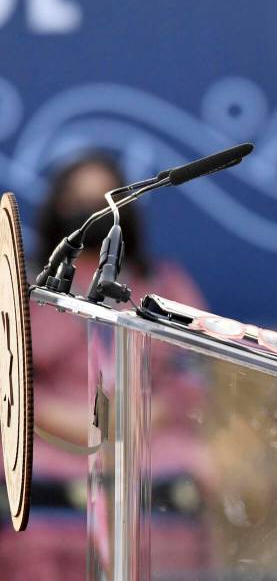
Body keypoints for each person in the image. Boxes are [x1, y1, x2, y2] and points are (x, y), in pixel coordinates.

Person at [0, 155, 209, 580]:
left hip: (148, 448)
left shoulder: (163, 282)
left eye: (103, 200)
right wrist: (83, 426)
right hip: (50, 452)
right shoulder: (28, 287)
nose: (90, 210)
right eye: (79, 200)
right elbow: (10, 381)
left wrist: (134, 421)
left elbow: (191, 374)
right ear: (57, 207)